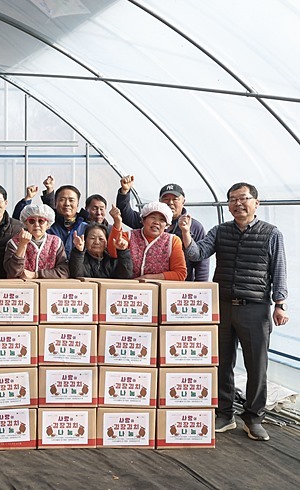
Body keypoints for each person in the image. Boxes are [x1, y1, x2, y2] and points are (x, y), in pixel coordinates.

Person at [180, 182, 288, 441]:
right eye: (232, 199)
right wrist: (185, 232)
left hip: (255, 308)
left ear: (256, 203)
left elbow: (279, 269)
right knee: (222, 363)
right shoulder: (220, 231)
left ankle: (253, 418)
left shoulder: (271, 233)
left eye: (243, 198)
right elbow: (197, 254)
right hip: (223, 306)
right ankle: (225, 414)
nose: (238, 204)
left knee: (256, 366)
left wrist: (280, 304)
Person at [117, 176, 209, 281]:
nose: (170, 202)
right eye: (166, 199)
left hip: (180, 285)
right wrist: (124, 192)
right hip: (140, 284)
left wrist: (201, 286)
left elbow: (202, 260)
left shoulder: (195, 227)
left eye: (175, 199)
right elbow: (125, 214)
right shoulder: (148, 220)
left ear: (183, 201)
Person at [108, 202, 187, 280]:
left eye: (162, 220)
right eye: (153, 217)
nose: (156, 222)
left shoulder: (173, 241)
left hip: (159, 288)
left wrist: (147, 278)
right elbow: (112, 252)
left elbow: (180, 274)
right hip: (127, 287)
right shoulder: (129, 236)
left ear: (167, 225)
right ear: (143, 220)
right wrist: (117, 222)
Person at [13, 177, 87, 257]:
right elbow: (18, 222)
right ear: (56, 202)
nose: (67, 204)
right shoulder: (46, 223)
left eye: (71, 200)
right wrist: (28, 198)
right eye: (62, 199)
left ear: (78, 203)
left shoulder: (86, 227)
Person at [4, 203, 68, 279]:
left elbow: (64, 272)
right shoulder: (14, 243)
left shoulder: (56, 242)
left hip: (49, 286)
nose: (36, 224)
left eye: (41, 221)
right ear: (25, 223)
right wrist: (22, 245)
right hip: (21, 286)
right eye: (31, 221)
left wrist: (36, 275)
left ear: (48, 224)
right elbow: (12, 272)